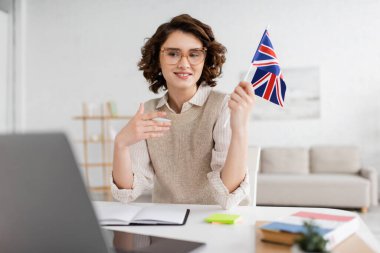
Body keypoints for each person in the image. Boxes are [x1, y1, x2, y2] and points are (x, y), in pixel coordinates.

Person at [111, 14, 255, 209]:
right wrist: (121, 144)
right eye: (173, 53)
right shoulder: (148, 111)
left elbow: (228, 196)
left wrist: (240, 129)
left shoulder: (223, 105)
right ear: (157, 58)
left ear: (205, 59)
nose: (184, 64)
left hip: (217, 220)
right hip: (165, 223)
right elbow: (126, 194)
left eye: (194, 54)